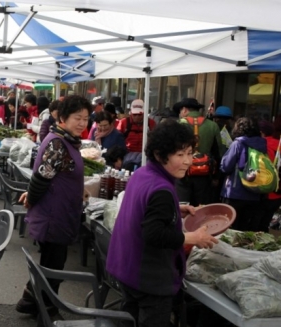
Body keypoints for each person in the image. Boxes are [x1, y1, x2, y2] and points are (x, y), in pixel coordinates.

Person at [106, 120, 218, 327]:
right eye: (180, 155)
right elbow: (154, 234)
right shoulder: (162, 190)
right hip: (148, 278)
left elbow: (144, 211)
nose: (188, 161)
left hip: (125, 268)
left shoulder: (142, 174)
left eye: (190, 153)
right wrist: (193, 237)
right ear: (159, 154)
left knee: (128, 319)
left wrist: (176, 209)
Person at [15, 95, 92, 317]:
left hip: (60, 213)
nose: (82, 123)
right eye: (78, 118)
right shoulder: (58, 142)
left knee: (52, 263)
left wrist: (80, 189)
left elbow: (59, 174)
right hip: (54, 216)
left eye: (86, 119)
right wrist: (31, 198)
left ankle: (30, 301)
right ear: (63, 118)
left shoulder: (66, 140)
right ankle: (47, 310)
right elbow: (41, 178)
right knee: (53, 267)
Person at [220, 117, 267, 232]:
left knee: (230, 228)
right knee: (245, 229)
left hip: (235, 193)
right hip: (254, 193)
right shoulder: (262, 144)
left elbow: (226, 166)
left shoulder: (238, 143)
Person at [176, 98, 222, 206]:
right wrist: (216, 177)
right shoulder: (213, 126)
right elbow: (218, 153)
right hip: (204, 174)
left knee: (182, 206)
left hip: (183, 172)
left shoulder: (179, 124)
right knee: (201, 208)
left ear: (184, 110)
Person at [259, 120, 281, 232]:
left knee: (255, 225)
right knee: (265, 223)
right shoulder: (278, 144)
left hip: (263, 191)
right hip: (277, 192)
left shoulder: (262, 144)